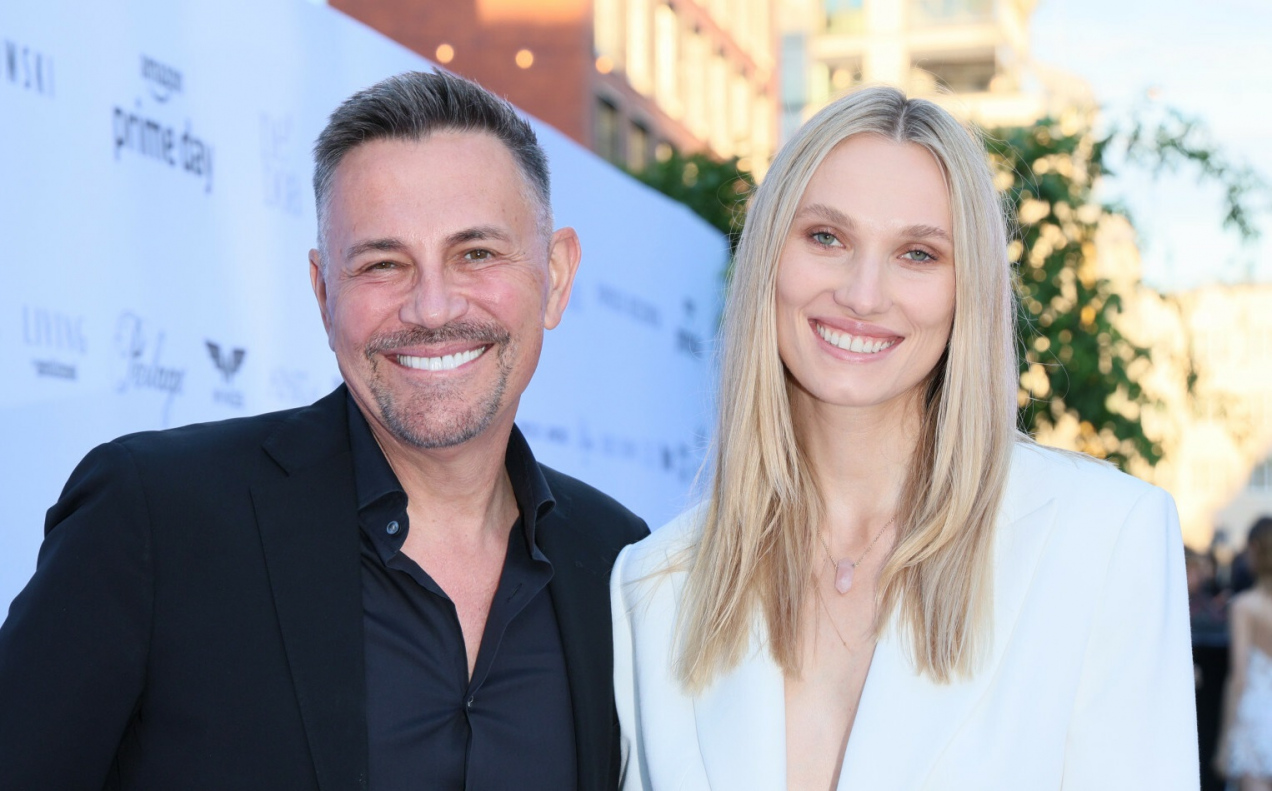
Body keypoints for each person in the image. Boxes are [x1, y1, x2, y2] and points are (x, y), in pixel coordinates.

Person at [0, 70, 647, 790]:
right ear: (323, 293)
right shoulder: (155, 518)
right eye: (383, 263)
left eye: (476, 254)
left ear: (555, 276)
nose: (432, 308)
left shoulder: (621, 562)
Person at [611, 85, 1198, 790]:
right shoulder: (658, 584)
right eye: (826, 237)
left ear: (966, 291)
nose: (863, 294)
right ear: (769, 258)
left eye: (918, 254)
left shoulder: (1104, 539)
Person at [1217, 517, 1272, 789]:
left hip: (1256, 718)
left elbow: (1238, 678)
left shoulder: (1244, 607)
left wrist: (1224, 742)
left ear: (1254, 549)